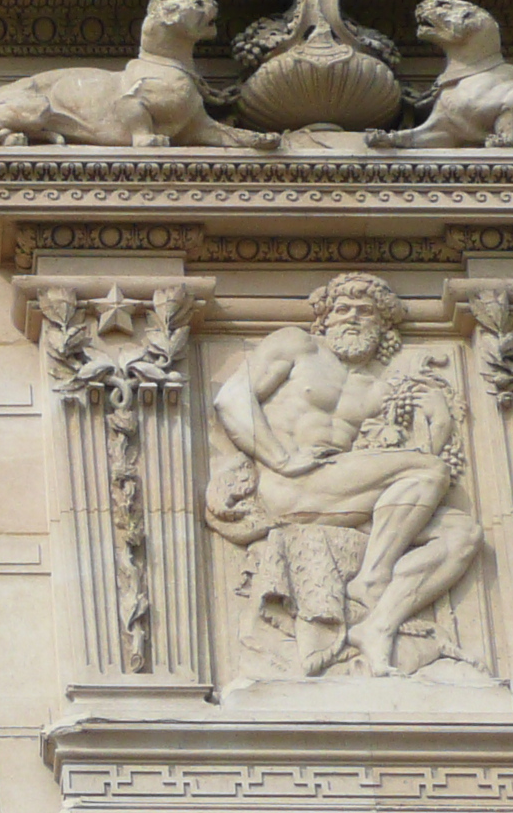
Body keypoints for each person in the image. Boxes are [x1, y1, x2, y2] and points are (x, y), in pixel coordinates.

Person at [206, 275, 482, 676]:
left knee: (462, 534)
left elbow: (423, 469)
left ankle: (378, 624)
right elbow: (231, 399)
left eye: (365, 311)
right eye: (342, 309)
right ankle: (371, 581)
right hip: (291, 484)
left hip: (342, 493)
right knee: (427, 469)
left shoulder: (381, 389)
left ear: (382, 325)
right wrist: (281, 459)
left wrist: (437, 416)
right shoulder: (295, 345)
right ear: (325, 318)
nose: (352, 318)